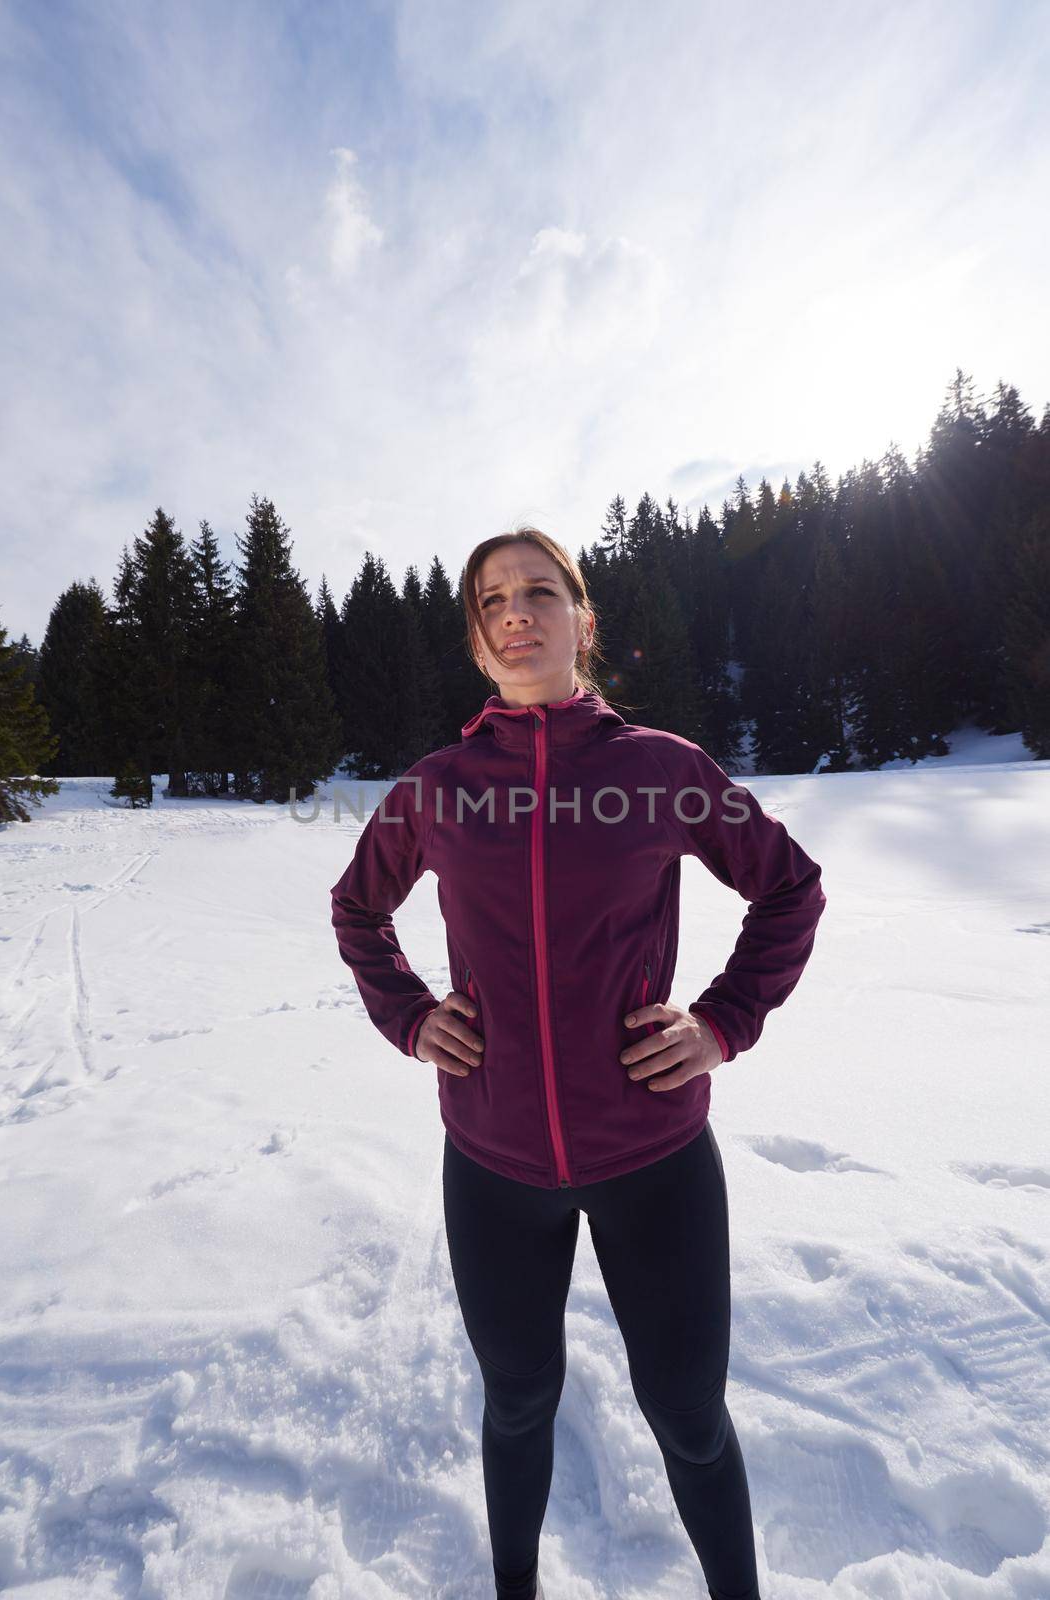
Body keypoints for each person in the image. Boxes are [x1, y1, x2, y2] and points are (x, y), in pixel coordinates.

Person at [330, 526, 828, 1600]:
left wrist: (722, 1022)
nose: (518, 612)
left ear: (581, 619)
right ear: (475, 639)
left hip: (655, 1156)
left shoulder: (658, 769)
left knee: (690, 1416)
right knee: (516, 1401)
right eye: (493, 600)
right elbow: (357, 908)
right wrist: (412, 1017)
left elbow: (790, 886)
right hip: (495, 1164)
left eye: (541, 593)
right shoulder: (440, 787)